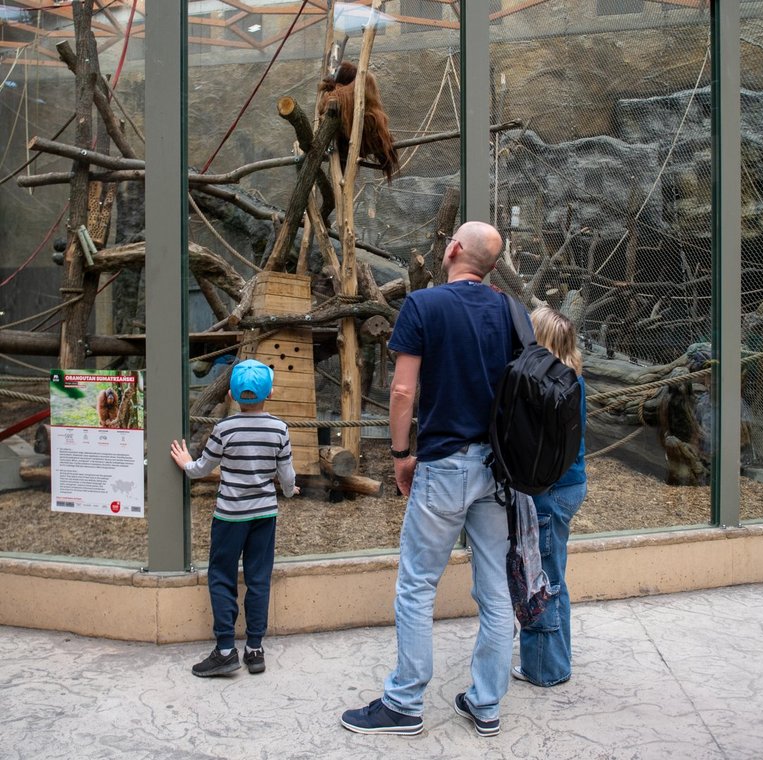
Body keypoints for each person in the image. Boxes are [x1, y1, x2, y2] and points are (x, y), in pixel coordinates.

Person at [340, 221, 515, 738]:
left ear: (454, 249)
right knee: (495, 588)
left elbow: (402, 391)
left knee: (417, 584)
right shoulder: (509, 310)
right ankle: (486, 703)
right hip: (499, 468)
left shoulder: (424, 305)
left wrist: (400, 454)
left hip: (445, 464)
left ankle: (404, 703)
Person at [170, 358, 298, 676]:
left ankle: (226, 649)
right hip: (264, 515)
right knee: (258, 579)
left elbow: (202, 469)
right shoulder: (279, 429)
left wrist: (186, 463)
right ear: (270, 393)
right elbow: (287, 475)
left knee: (222, 577)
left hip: (229, 517)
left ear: (230, 395)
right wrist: (288, 491)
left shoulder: (224, 429)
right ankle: (254, 649)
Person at [511, 305, 587, 686]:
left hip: (549, 492)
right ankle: (558, 657)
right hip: (571, 486)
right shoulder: (574, 380)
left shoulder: (544, 386)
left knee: (541, 581)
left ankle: (545, 668)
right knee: (555, 575)